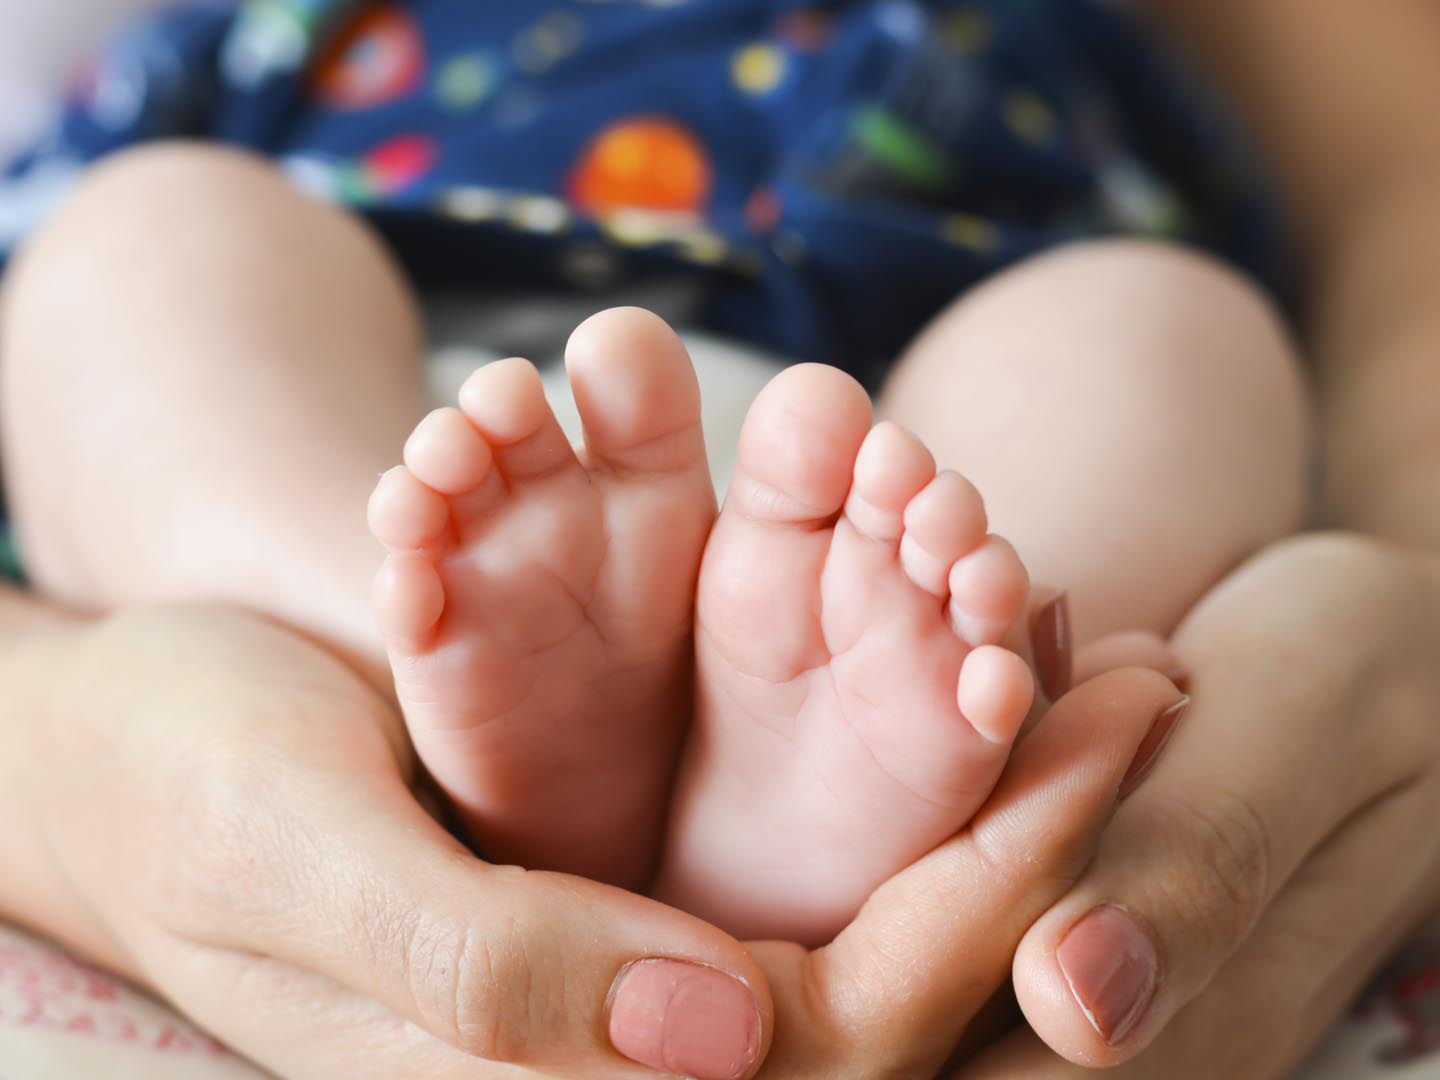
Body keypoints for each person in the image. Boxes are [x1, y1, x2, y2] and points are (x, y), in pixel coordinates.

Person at [1, 2, 1439, 1078]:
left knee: (1159, 324)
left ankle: (847, 780)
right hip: (408, 378)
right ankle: (409, 656)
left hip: (924, 436)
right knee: (148, 242)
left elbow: (1376, 196)